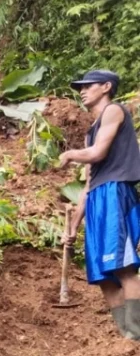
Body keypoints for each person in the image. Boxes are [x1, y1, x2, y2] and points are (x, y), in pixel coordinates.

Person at [59, 69, 140, 339]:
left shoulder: (114, 111)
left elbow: (98, 152)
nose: (82, 91)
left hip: (115, 191)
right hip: (97, 197)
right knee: (104, 278)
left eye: (88, 86)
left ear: (106, 86)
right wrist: (73, 226)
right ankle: (126, 336)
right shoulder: (89, 132)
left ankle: (137, 334)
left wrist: (70, 154)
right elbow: (87, 186)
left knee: (122, 266)